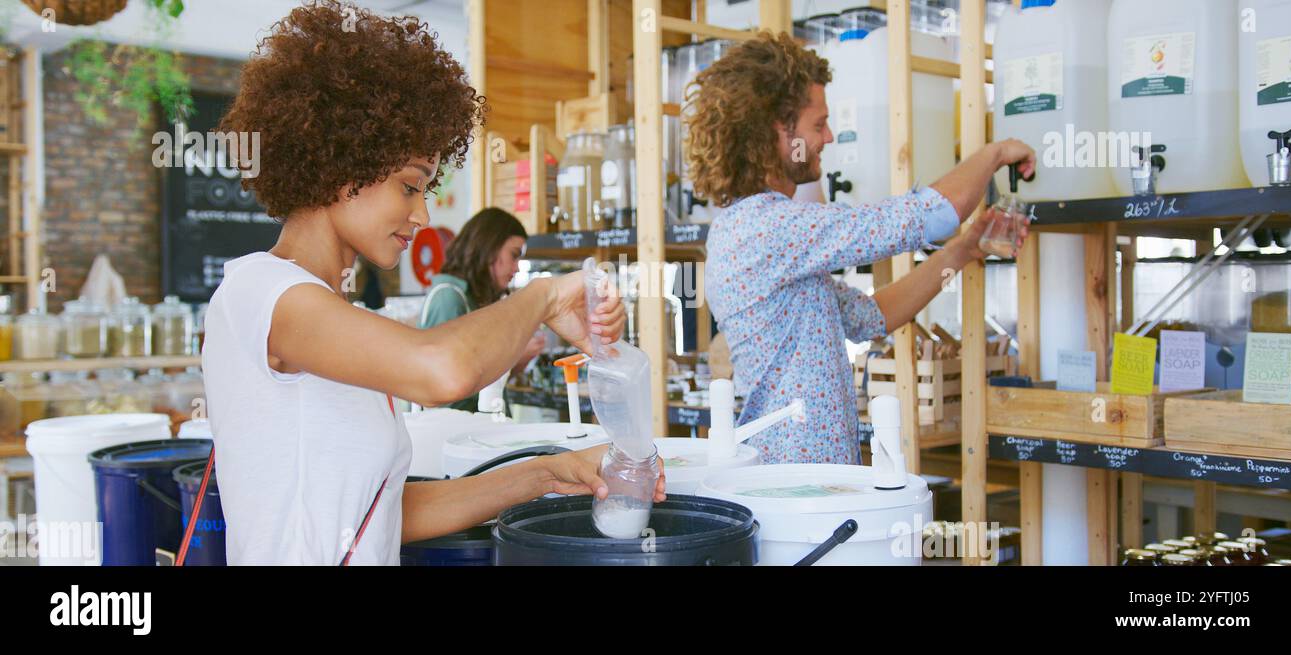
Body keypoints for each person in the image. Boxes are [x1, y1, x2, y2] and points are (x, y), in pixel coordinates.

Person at [204, 0, 664, 565]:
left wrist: (546, 472)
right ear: (342, 168)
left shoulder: (331, 317)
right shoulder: (260, 294)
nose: (422, 215)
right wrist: (542, 295)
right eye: (409, 185)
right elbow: (442, 370)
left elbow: (382, 515)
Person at [686, 32, 1035, 465]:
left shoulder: (756, 228)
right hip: (794, 486)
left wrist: (964, 250)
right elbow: (933, 214)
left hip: (802, 480)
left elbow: (874, 316)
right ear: (779, 130)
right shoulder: (767, 227)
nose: (829, 137)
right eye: (818, 124)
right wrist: (996, 151)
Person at [418, 208, 544, 411]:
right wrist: (511, 358)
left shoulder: (479, 299)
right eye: (514, 255)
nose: (518, 267)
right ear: (488, 248)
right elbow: (442, 391)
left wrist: (519, 359)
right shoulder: (448, 298)